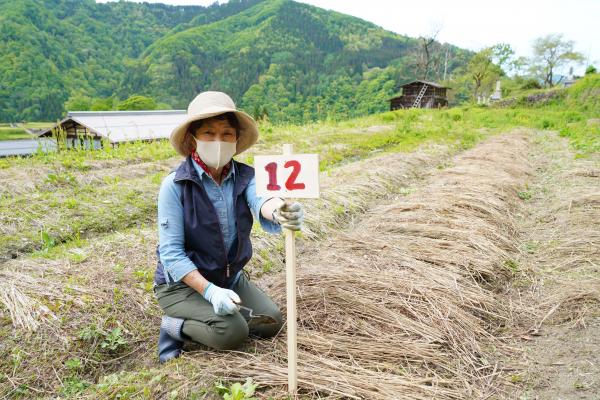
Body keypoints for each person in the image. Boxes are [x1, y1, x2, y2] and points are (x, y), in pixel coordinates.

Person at [153, 91, 304, 363]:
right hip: (182, 286)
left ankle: (228, 310)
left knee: (271, 321)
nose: (218, 141)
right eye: (209, 133)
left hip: (228, 278)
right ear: (192, 140)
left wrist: (280, 210)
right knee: (231, 333)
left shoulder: (245, 177)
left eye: (226, 134)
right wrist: (209, 292)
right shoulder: (175, 186)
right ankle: (174, 326)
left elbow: (262, 199)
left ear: (236, 139)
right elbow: (171, 254)